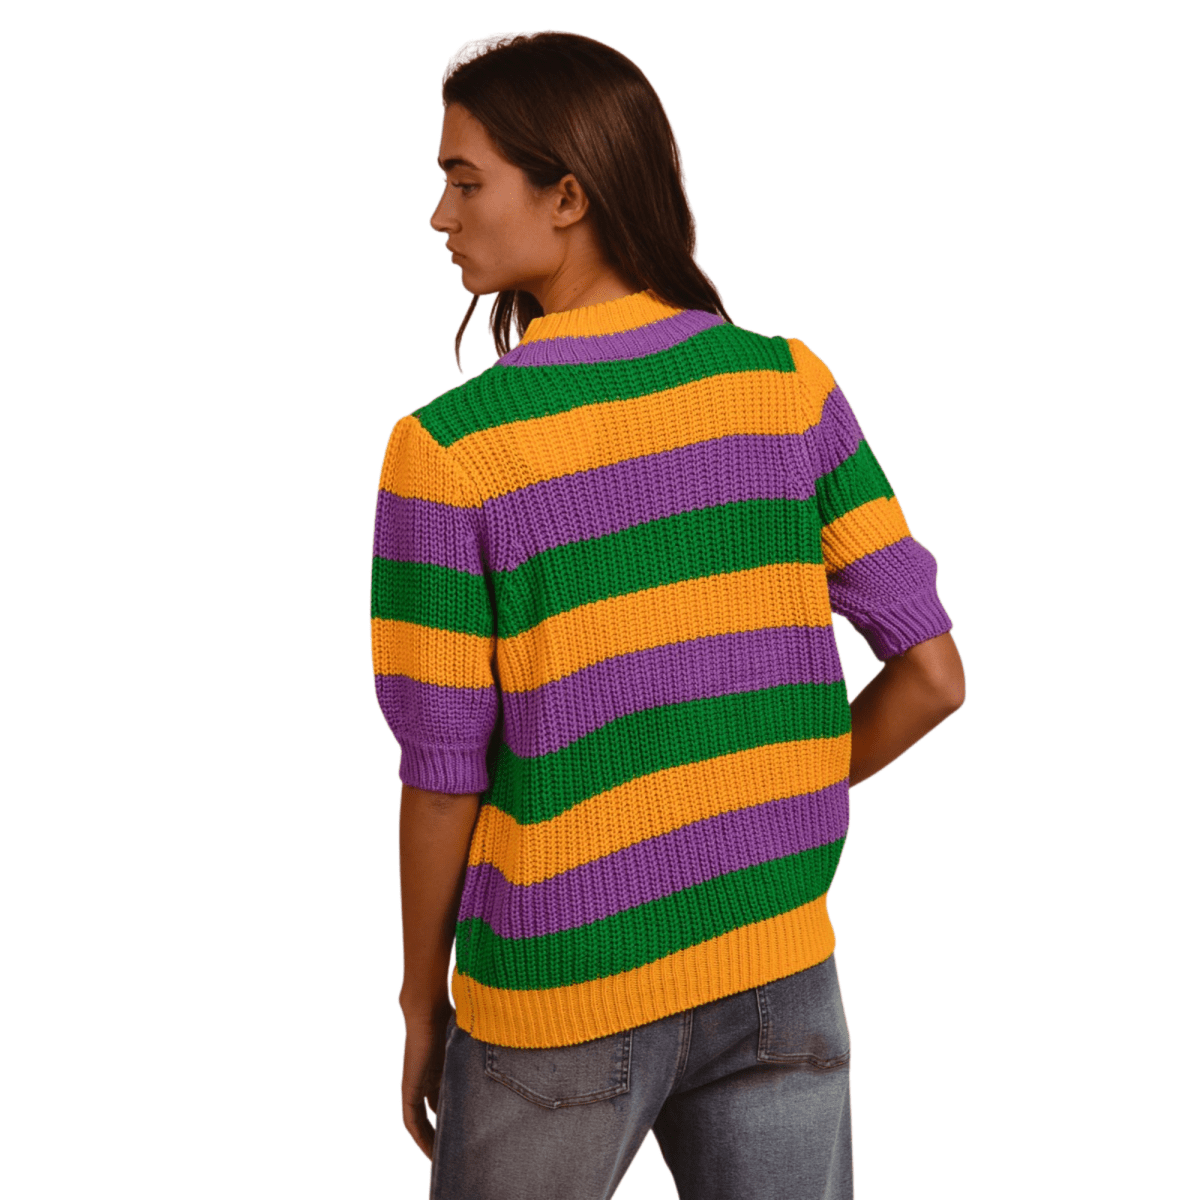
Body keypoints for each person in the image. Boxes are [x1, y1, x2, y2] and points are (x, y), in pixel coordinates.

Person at [370, 31, 965, 1200]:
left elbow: (443, 780)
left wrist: (419, 1002)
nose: (441, 215)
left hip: (557, 996)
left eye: (466, 180)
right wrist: (762, 797)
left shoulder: (450, 455)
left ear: (569, 196)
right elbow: (934, 676)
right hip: (780, 967)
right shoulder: (786, 386)